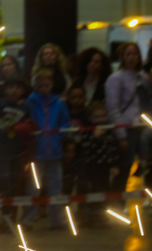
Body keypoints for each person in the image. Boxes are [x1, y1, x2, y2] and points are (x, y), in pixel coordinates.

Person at [0, 74, 34, 231]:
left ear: (22, 90)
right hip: (2, 150)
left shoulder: (25, 108)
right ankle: (4, 216)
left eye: (17, 88)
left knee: (14, 182)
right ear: (5, 90)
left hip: (17, 150)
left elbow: (28, 128)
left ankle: (10, 217)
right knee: (3, 180)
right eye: (11, 87)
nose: (14, 90)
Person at [23, 67, 71, 229]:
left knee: (55, 188)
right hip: (36, 153)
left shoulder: (59, 103)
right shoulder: (30, 102)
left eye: (47, 85)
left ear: (52, 85)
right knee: (33, 189)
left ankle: (57, 221)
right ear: (36, 84)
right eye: (41, 85)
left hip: (54, 152)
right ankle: (28, 219)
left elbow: (65, 123)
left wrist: (58, 137)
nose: (44, 88)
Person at [74, 100, 123, 228]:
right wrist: (94, 138)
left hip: (105, 167)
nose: (101, 119)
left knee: (104, 192)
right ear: (90, 118)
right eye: (97, 117)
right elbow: (85, 148)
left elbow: (114, 149)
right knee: (92, 192)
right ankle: (88, 218)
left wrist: (115, 165)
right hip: (91, 167)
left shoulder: (108, 130)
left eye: (103, 116)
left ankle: (101, 217)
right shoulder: (87, 131)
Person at [105, 41, 148, 165]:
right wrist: (121, 136)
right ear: (122, 57)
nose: (132, 57)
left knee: (144, 165)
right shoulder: (116, 78)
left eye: (135, 54)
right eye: (128, 54)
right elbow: (113, 108)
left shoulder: (142, 78)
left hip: (141, 127)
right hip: (126, 128)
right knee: (125, 166)